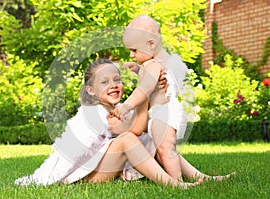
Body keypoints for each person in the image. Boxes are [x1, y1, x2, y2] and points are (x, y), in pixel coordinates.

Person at [14, 59, 202, 188]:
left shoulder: (119, 107)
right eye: (104, 82)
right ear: (91, 90)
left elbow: (144, 127)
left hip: (103, 164)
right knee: (127, 139)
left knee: (156, 138)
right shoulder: (94, 113)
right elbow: (133, 131)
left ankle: (200, 176)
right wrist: (144, 91)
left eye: (117, 80)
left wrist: (152, 91)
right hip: (87, 174)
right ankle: (173, 184)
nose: (113, 85)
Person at [115, 15, 236, 182]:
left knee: (165, 149)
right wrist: (137, 70)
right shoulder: (150, 65)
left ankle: (176, 181)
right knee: (166, 148)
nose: (131, 55)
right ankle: (198, 178)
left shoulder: (153, 65)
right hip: (162, 112)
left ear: (151, 44)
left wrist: (126, 106)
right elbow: (149, 81)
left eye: (134, 50)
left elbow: (143, 90)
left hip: (163, 113)